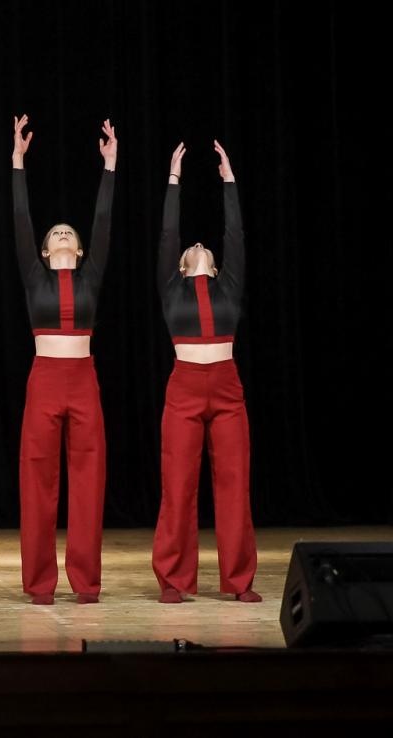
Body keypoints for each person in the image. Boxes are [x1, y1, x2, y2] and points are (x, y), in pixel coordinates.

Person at [10, 115, 117, 605]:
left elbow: (103, 221)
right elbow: (21, 219)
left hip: (84, 378)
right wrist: (17, 163)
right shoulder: (35, 276)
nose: (62, 233)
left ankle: (86, 582)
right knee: (37, 477)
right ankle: (39, 583)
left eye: (68, 232)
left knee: (89, 478)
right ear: (44, 249)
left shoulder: (91, 274)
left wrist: (110, 168)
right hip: (45, 379)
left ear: (79, 246)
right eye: (55, 232)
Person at [151, 140, 261, 604]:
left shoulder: (229, 287)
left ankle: (239, 581)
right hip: (185, 389)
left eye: (205, 247)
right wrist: (173, 179)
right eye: (191, 247)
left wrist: (230, 182)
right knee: (178, 486)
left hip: (227, 389)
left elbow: (235, 235)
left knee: (235, 485)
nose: (198, 244)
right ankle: (175, 580)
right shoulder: (172, 288)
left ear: (215, 266)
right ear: (181, 266)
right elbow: (168, 233)